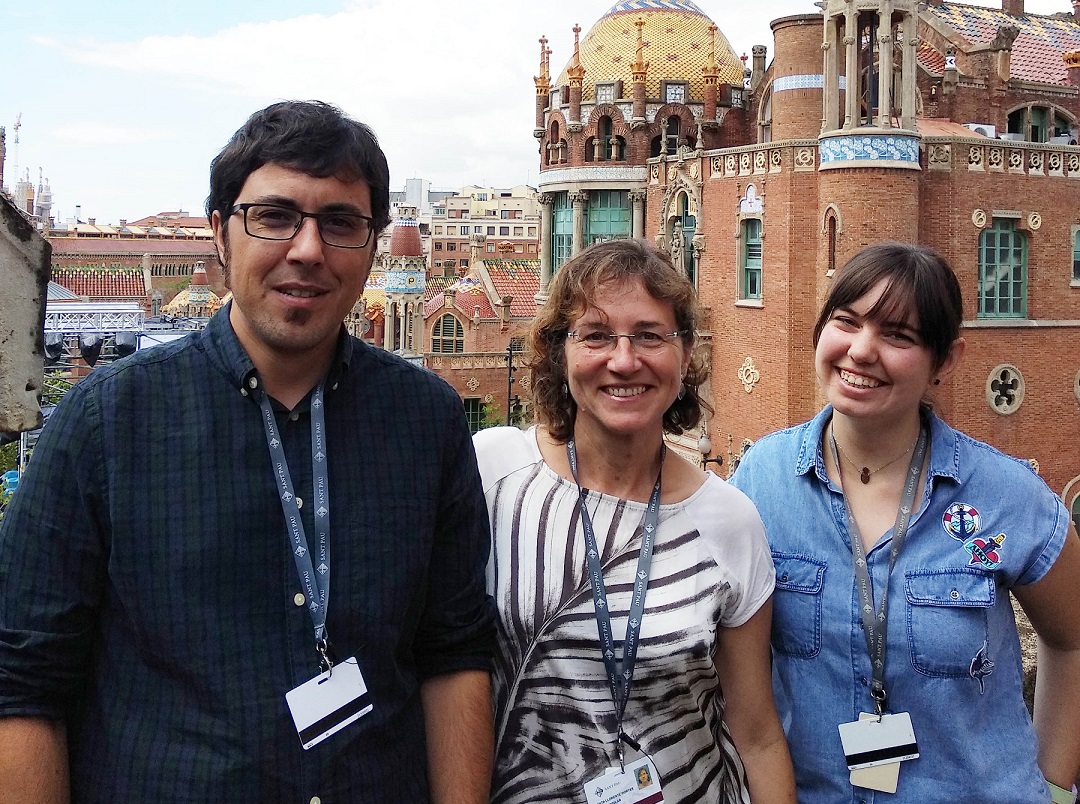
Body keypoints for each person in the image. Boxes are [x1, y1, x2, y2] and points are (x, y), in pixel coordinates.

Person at [0, 100, 496, 803]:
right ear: (220, 235)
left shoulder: (427, 420)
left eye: (340, 223)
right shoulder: (106, 421)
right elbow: (22, 677)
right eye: (274, 216)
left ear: (373, 247)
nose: (308, 249)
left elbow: (455, 652)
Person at [730, 241, 1080, 803]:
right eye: (846, 322)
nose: (861, 351)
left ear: (946, 360)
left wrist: (1055, 789)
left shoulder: (1005, 495)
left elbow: (1073, 639)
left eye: (898, 335)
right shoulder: (761, 480)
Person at [474, 239, 796, 804]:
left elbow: (757, 733)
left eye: (650, 336)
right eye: (596, 335)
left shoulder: (728, 521)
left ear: (686, 354)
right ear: (560, 353)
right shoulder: (494, 473)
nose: (624, 361)